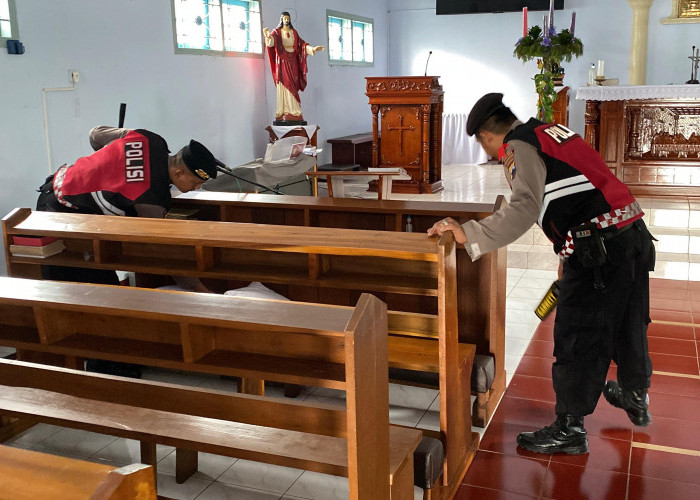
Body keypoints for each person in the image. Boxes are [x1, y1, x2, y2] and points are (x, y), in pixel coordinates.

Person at [428, 93, 655, 455]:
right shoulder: (550, 130)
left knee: (578, 333)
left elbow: (523, 208)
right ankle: (634, 392)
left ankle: (570, 428)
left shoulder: (519, 147)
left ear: (488, 137)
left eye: (485, 145)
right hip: (631, 235)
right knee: (630, 321)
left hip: (599, 250)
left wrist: (469, 232)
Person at [36, 126, 220, 376]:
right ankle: (101, 368)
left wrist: (116, 158)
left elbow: (95, 135)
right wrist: (201, 291)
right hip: (61, 211)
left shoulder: (151, 139)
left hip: (65, 191)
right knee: (95, 292)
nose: (196, 188)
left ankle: (109, 357)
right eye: (196, 182)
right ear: (177, 172)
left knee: (102, 286)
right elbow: (161, 251)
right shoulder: (150, 198)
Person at [263, 11, 324, 124]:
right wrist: (267, 36)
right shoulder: (276, 32)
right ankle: (284, 111)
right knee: (284, 84)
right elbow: (271, 43)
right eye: (285, 18)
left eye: (288, 18)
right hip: (282, 63)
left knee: (293, 85)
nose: (286, 20)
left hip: (293, 62)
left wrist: (313, 49)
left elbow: (302, 45)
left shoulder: (294, 33)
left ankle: (294, 110)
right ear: (281, 19)